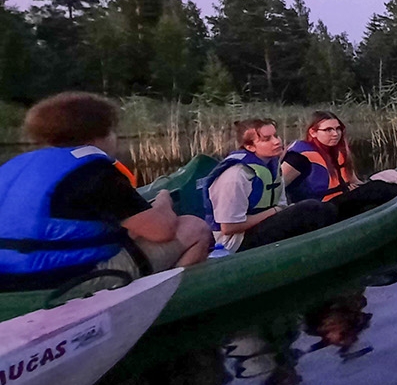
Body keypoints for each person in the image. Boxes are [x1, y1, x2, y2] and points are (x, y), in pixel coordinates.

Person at [0, 92, 211, 292]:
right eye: (112, 130)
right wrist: (163, 201)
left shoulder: (15, 166)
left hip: (7, 277)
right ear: (98, 133)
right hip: (62, 280)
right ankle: (166, 300)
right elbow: (161, 231)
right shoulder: (94, 171)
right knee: (194, 228)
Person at [203, 119, 337, 252]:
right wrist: (275, 211)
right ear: (250, 147)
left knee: (329, 208)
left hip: (263, 223)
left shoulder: (272, 164)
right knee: (311, 209)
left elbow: (281, 203)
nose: (277, 141)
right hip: (235, 242)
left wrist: (279, 210)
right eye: (267, 139)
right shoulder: (236, 175)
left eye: (275, 135)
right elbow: (229, 227)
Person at [281, 110, 397, 219]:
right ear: (313, 132)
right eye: (328, 130)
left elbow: (354, 181)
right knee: (380, 189)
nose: (335, 134)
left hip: (343, 201)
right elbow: (278, 187)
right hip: (320, 209)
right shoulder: (298, 158)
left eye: (338, 129)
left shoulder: (337, 152)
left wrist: (359, 187)